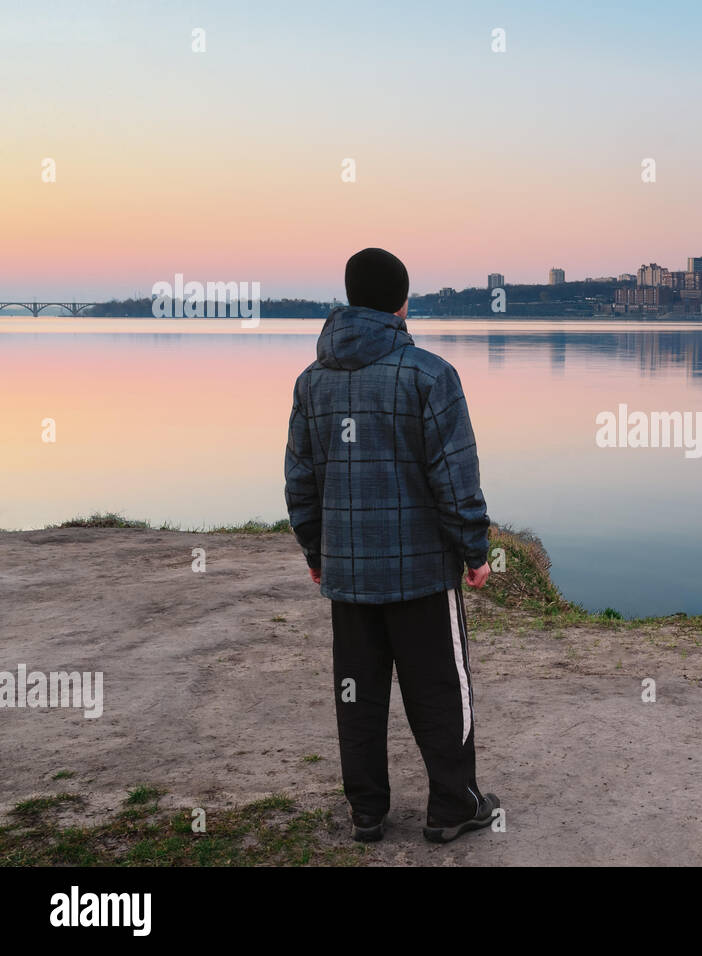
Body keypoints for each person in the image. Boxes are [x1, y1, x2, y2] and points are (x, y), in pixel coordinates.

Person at [284, 247, 498, 844]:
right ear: (403, 303)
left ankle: (367, 813)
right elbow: (456, 476)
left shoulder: (311, 383)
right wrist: (474, 551)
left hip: (348, 577)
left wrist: (315, 553)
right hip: (422, 574)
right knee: (439, 688)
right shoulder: (430, 375)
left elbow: (300, 479)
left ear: (351, 299)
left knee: (357, 693)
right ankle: (452, 806)